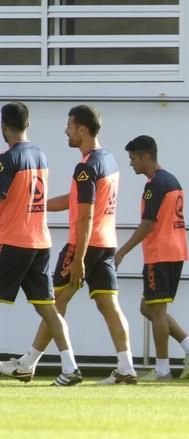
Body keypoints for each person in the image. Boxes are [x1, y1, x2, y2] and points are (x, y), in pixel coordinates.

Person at [3, 105, 138, 385]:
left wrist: (78, 258)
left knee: (55, 303)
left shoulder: (86, 167)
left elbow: (86, 214)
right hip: (106, 243)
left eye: (70, 126)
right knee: (107, 305)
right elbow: (77, 200)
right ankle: (126, 367)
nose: (66, 130)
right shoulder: (108, 160)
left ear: (82, 129)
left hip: (83, 245)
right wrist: (36, 207)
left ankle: (37, 363)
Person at [0, 102, 82, 386]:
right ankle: (70, 367)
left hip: (13, 241)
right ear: (28, 125)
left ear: (4, 127)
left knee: (48, 307)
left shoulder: (7, 159)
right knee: (48, 307)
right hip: (40, 242)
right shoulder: (40, 155)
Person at [114, 135, 189, 381]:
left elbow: (147, 225)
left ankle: (163, 370)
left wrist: (121, 252)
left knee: (155, 311)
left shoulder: (154, 184)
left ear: (146, 156)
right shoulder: (171, 179)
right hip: (174, 252)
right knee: (149, 307)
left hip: (160, 254)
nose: (131, 163)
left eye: (133, 158)